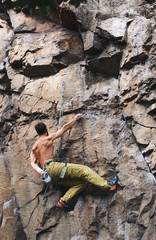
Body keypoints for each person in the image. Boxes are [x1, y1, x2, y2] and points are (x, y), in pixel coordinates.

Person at [30, 114, 117, 210]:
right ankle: (108, 186)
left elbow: (32, 163)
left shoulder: (34, 147)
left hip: (49, 175)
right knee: (84, 170)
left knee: (80, 183)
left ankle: (63, 201)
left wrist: (41, 171)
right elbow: (64, 128)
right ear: (46, 130)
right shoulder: (48, 138)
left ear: (37, 133)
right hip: (53, 167)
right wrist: (74, 119)